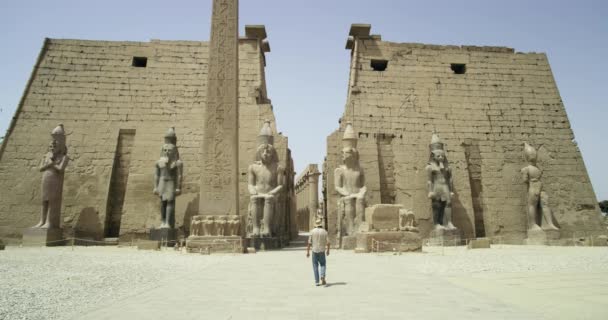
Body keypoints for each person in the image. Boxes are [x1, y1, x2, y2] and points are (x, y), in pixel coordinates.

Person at [306, 218, 330, 286]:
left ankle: (317, 281)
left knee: (315, 265)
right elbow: (328, 242)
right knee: (323, 264)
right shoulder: (324, 231)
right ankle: (322, 276)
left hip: (314, 250)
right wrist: (328, 250)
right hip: (322, 250)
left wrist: (308, 251)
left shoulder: (312, 231)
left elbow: (309, 243)